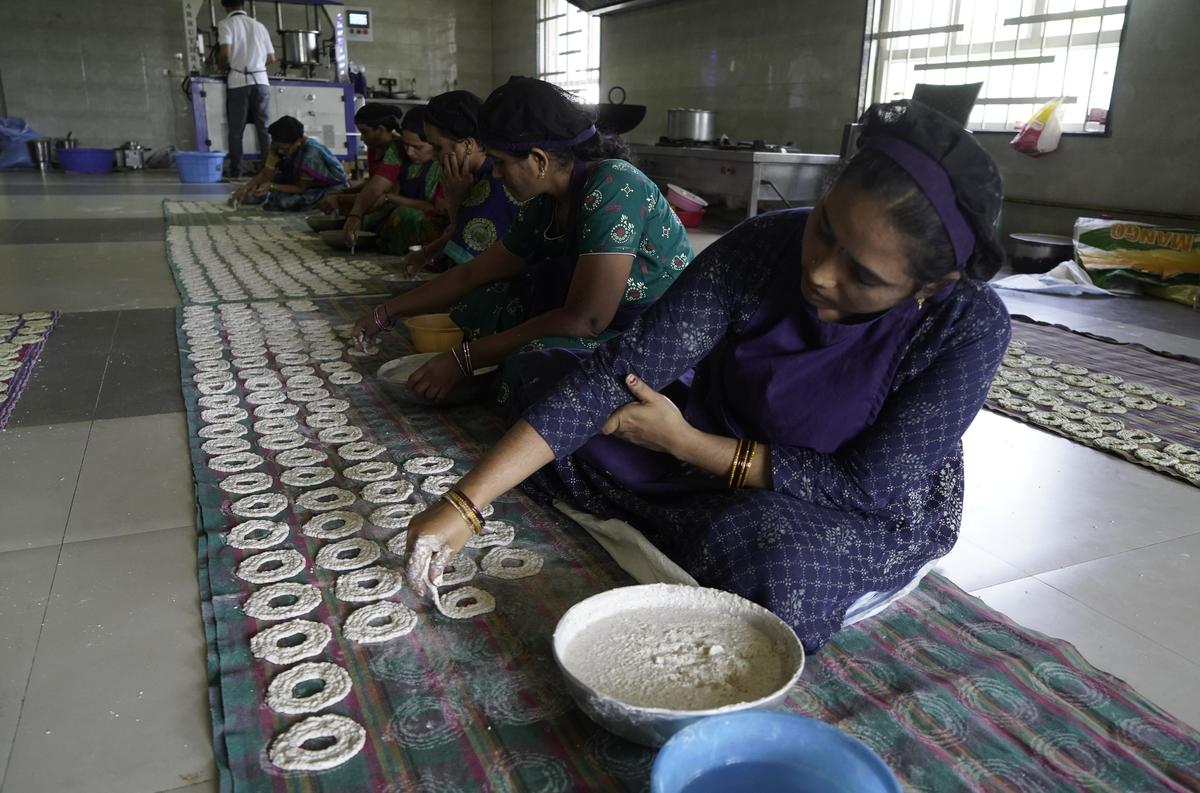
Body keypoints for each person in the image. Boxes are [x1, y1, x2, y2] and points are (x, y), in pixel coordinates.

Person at [399, 100, 1012, 654]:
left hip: (846, 499)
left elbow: (865, 485)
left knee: (775, 562)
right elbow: (618, 372)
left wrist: (683, 443)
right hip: (717, 431)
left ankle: (696, 518)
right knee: (545, 373)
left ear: (929, 287)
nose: (822, 273)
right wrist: (465, 503)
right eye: (824, 227)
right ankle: (682, 506)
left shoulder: (967, 327)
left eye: (864, 275)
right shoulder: (765, 245)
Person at [353, 78, 692, 406]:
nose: (495, 173)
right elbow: (472, 275)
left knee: (535, 359)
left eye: (501, 162)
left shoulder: (614, 185)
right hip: (598, 322)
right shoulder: (544, 203)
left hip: (653, 333)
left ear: (539, 160)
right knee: (485, 300)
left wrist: (464, 359)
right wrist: (386, 313)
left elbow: (586, 320)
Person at [396, 90, 521, 269]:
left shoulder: (493, 183)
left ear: (468, 145)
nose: (434, 157)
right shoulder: (475, 174)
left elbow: (466, 267)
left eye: (438, 148)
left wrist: (455, 201)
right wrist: (425, 254)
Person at [228, 116, 348, 210]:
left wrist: (271, 186)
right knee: (255, 193)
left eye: (284, 148)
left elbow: (300, 188)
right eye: (277, 146)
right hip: (296, 182)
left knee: (283, 202)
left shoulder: (311, 155)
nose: (280, 151)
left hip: (324, 188)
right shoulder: (277, 146)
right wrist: (244, 189)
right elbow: (266, 174)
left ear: (298, 141)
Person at [334, 103, 408, 244]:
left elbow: (378, 190)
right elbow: (372, 183)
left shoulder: (399, 148)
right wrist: (342, 193)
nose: (361, 138)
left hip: (398, 202)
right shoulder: (374, 148)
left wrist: (353, 212)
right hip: (381, 198)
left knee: (366, 219)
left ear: (380, 130)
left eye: (364, 132)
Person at [217, 0, 275, 177]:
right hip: (261, 81)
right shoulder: (259, 26)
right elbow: (271, 58)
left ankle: (236, 171)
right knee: (264, 129)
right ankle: (267, 171)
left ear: (224, 6)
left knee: (236, 130)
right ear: (244, 6)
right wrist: (255, 64)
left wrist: (221, 66)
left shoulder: (226, 24)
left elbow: (225, 53)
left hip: (238, 83)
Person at [377, 108, 445, 254]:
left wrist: (389, 197)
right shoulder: (399, 154)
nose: (409, 152)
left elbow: (437, 209)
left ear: (433, 142)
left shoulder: (445, 163)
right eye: (406, 144)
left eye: (417, 147)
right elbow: (379, 185)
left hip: (439, 226)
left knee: (404, 214)